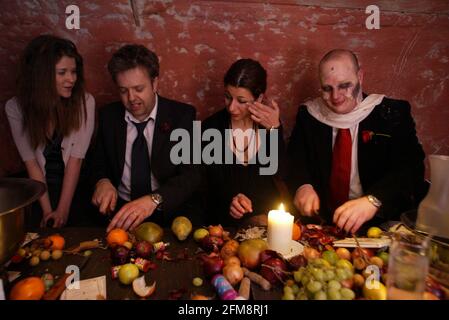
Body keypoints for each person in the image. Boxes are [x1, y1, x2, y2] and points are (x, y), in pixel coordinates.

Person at [287, 49, 426, 234]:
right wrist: (302, 186)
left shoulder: (392, 113)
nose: (336, 97)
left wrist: (374, 200)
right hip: (324, 223)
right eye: (327, 88)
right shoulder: (309, 115)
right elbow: (296, 162)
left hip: (379, 224)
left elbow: (410, 168)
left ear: (360, 77)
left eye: (345, 85)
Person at [91, 44, 200, 232]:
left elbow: (192, 175)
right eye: (123, 90)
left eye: (138, 88)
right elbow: (96, 163)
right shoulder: (108, 116)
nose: (131, 98)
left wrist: (154, 199)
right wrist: (102, 181)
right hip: (119, 213)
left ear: (155, 83)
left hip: (164, 214)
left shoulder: (182, 116)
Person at [5, 34, 95, 228]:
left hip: (74, 185)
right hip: (39, 188)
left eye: (73, 71)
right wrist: (47, 212)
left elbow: (75, 160)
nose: (71, 79)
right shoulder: (15, 107)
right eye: (62, 72)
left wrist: (62, 211)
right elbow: (31, 163)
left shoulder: (85, 102)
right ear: (42, 75)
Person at [201, 58, 287, 227]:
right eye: (227, 97)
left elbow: (282, 173)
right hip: (223, 223)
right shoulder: (211, 127)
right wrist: (231, 200)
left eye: (241, 101)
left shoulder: (269, 126)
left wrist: (275, 131)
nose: (232, 107)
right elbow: (206, 186)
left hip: (267, 221)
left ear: (259, 98)